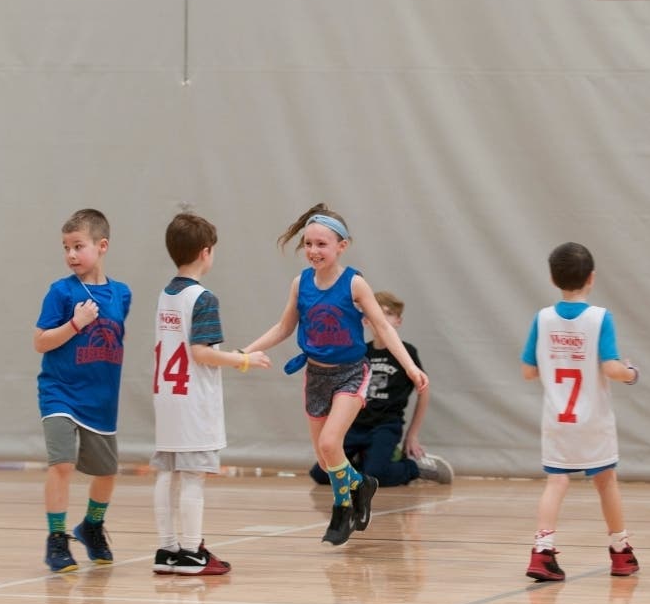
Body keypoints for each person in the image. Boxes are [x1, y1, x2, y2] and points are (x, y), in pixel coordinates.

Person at [242, 204, 429, 546]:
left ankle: (343, 509)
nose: (314, 251)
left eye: (322, 244)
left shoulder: (354, 283)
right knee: (326, 462)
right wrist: (246, 351)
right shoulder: (300, 283)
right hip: (316, 376)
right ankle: (358, 485)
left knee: (331, 443)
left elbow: (384, 327)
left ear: (342, 245)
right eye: (309, 244)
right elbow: (284, 327)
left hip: (351, 374)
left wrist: (410, 366)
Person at [151, 212, 271, 575]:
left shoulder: (165, 294)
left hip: (167, 397)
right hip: (192, 400)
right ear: (206, 252)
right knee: (192, 476)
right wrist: (243, 359)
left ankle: (167, 549)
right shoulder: (203, 298)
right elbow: (201, 352)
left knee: (166, 472)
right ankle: (190, 552)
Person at [521, 242, 640, 581]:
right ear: (592, 277)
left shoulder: (542, 319)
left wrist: (556, 359)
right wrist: (632, 373)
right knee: (606, 482)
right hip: (593, 419)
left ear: (552, 278)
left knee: (555, 482)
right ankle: (620, 552)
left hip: (557, 419)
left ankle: (542, 551)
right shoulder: (600, 318)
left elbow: (528, 372)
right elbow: (613, 369)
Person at [34, 208, 132, 572]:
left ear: (101, 246)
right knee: (62, 463)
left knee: (106, 472)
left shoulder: (122, 294)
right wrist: (77, 323)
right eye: (66, 247)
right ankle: (56, 538)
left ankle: (91, 526)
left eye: (78, 246)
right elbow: (40, 342)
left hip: (101, 398)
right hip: (60, 392)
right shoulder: (60, 292)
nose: (71, 254)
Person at [306, 291, 451, 488]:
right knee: (322, 473)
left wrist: (412, 435)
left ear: (398, 321)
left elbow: (423, 391)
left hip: (385, 426)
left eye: (388, 313)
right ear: (366, 320)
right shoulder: (360, 352)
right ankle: (362, 462)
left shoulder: (406, 352)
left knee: (377, 476)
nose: (381, 318)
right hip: (355, 425)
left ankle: (415, 468)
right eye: (376, 313)